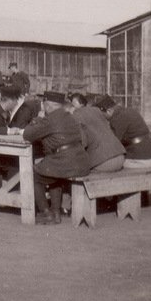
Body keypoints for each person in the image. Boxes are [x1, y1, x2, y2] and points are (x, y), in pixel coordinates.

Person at [23, 91, 90, 224]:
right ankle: (56, 212)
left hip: (64, 161)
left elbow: (28, 134)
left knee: (33, 175)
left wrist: (37, 119)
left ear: (47, 106)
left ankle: (45, 212)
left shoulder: (49, 119)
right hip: (81, 161)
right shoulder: (71, 116)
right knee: (53, 174)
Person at [95, 94, 151, 170]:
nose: (102, 118)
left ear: (109, 111)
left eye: (102, 115)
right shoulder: (129, 110)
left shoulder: (117, 119)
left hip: (141, 160)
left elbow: (112, 145)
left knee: (111, 164)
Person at [67, 93, 125, 173]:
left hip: (103, 163)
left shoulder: (76, 115)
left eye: (72, 105)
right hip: (120, 157)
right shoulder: (96, 110)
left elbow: (83, 143)